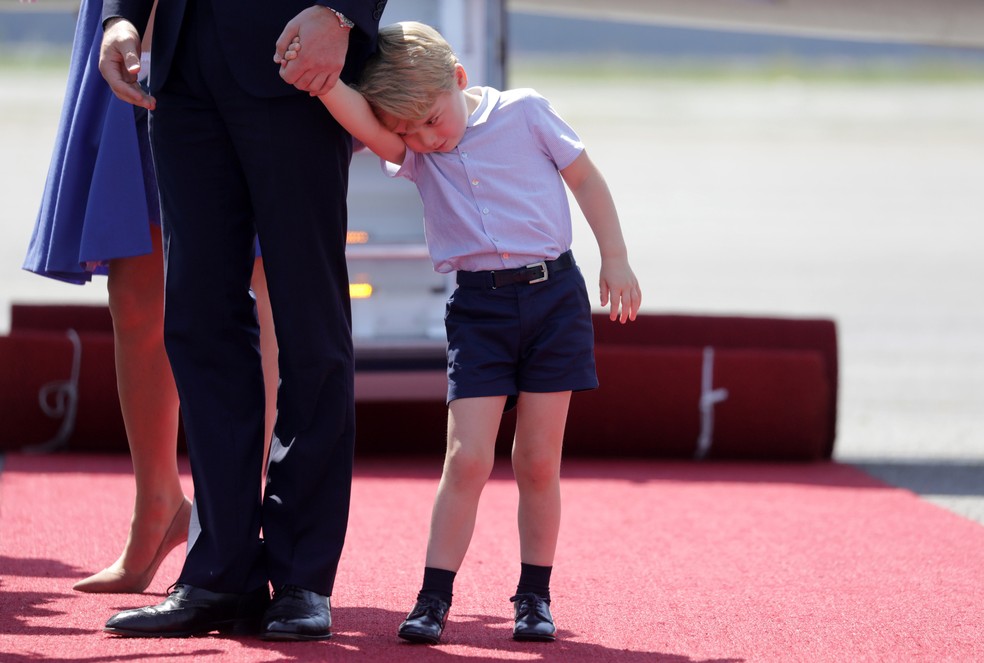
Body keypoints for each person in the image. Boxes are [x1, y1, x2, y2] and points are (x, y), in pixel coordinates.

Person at [305, 21, 642, 643]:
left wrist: (614, 257)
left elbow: (587, 180)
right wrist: (322, 78)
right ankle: (434, 598)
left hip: (554, 300)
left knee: (537, 461)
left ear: (459, 80)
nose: (425, 140)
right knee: (467, 458)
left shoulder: (527, 112)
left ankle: (533, 597)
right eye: (409, 132)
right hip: (479, 310)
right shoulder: (415, 149)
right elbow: (364, 122)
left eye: (432, 119)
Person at [95, 0, 386, 640]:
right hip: (179, 64)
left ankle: (303, 576)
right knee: (197, 320)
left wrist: (342, 13)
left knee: (310, 319)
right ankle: (220, 573)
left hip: (292, 51)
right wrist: (119, 15)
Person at [23, 0, 278, 595]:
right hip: (133, 20)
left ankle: (243, 521)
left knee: (262, 278)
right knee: (136, 293)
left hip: (247, 29)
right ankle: (158, 506)